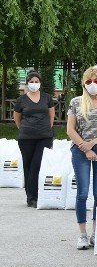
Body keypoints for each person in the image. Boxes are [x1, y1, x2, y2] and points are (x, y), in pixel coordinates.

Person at [66, 66, 97, 250]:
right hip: (80, 149)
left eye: (96, 81)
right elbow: (70, 130)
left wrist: (93, 143)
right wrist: (85, 148)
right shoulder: (76, 102)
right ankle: (82, 235)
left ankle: (96, 234)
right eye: (89, 81)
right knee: (82, 192)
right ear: (84, 83)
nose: (93, 84)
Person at [13, 70, 55, 208]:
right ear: (27, 83)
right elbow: (17, 118)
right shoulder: (21, 100)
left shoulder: (47, 97)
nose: (34, 84)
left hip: (44, 137)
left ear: (40, 83)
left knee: (37, 165)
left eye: (36, 81)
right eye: (31, 81)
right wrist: (25, 129)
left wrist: (46, 129)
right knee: (28, 165)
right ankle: (30, 197)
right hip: (26, 138)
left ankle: (37, 195)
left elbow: (51, 116)